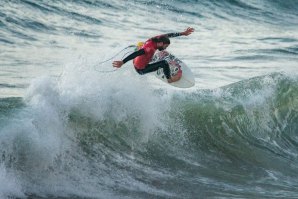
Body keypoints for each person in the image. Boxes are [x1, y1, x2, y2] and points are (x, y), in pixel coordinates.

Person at [112, 27, 194, 83]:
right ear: (161, 43)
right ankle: (170, 79)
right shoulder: (149, 48)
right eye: (165, 46)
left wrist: (183, 33)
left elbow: (169, 35)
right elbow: (136, 53)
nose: (165, 48)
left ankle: (142, 51)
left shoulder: (156, 39)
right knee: (164, 63)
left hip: (136, 61)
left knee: (141, 44)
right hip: (141, 69)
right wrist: (123, 62)